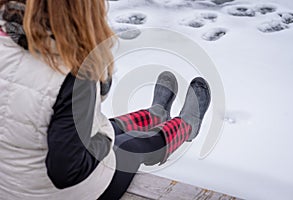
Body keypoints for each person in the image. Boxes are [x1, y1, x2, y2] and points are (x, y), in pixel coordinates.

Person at [0, 0, 211, 199]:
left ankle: (155, 114)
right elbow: (67, 171)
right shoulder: (72, 75)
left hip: (8, 182)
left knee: (94, 129)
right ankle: (187, 126)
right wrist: (106, 138)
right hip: (57, 193)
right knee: (130, 144)